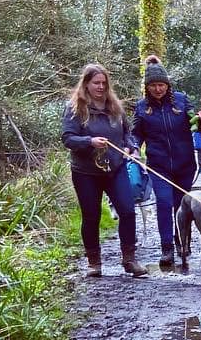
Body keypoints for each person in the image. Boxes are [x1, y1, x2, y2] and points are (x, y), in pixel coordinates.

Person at [61, 63, 148, 278]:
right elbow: (68, 138)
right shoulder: (75, 108)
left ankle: (129, 259)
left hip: (115, 168)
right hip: (86, 172)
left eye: (104, 83)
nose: (100, 87)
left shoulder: (115, 107)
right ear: (86, 84)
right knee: (91, 216)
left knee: (127, 211)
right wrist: (89, 141)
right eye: (96, 83)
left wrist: (130, 148)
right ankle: (94, 262)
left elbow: (128, 134)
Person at [131, 56, 201, 270]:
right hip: (158, 165)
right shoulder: (141, 108)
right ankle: (167, 248)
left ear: (168, 84)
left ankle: (182, 241)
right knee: (165, 203)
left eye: (162, 85)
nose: (158, 89)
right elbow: (136, 134)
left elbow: (195, 126)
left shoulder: (182, 101)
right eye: (153, 85)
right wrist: (134, 148)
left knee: (182, 206)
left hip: (185, 164)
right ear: (147, 87)